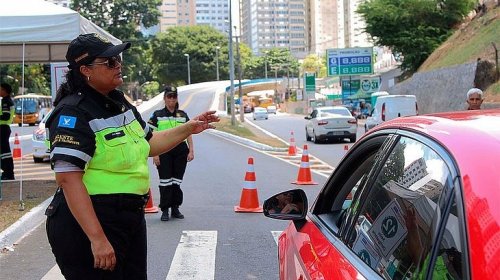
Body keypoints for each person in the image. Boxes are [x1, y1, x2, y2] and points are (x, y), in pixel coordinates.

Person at [44, 33, 219, 280]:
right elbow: (68, 179)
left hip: (129, 218)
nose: (118, 65)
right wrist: (97, 239)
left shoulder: (119, 104)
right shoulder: (72, 113)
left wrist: (188, 128)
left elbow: (150, 143)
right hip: (91, 222)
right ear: (85, 70)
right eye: (109, 62)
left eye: (117, 59)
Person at [148, 86, 193, 221]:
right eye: (169, 96)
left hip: (180, 151)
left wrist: (191, 150)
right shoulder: (157, 115)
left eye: (174, 96)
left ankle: (175, 208)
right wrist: (155, 154)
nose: (171, 99)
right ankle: (165, 210)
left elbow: (189, 132)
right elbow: (150, 135)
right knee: (165, 181)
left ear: (177, 98)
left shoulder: (183, 115)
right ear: (165, 98)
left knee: (176, 181)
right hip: (163, 150)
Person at [0, 82, 15, 180]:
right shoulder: (7, 100)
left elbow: (6, 116)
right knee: (5, 152)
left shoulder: (6, 101)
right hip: (5, 128)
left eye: (0, 89)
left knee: (5, 152)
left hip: (3, 128)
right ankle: (7, 172)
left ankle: (8, 173)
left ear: (4, 91)